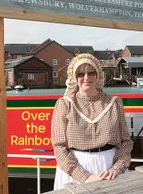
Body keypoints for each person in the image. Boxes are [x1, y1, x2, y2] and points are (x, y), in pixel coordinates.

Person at [51, 53, 133, 190]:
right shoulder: (65, 104)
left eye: (91, 73)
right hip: (75, 171)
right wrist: (85, 177)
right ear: (75, 78)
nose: (86, 78)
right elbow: (59, 147)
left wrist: (116, 169)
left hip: (109, 169)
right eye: (80, 74)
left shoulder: (114, 103)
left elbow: (126, 142)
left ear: (98, 75)